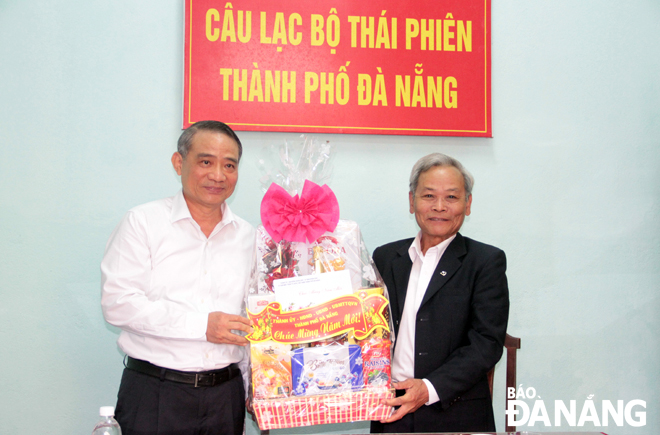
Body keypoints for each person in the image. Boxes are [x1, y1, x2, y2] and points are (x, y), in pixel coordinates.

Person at [101, 121, 255, 435]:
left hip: (226, 395)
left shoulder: (249, 237)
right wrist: (203, 326)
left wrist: (260, 385)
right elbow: (119, 304)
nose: (218, 175)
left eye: (229, 165)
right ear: (179, 162)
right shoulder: (143, 222)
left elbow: (251, 319)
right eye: (206, 161)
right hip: (155, 393)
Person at [371, 153, 509, 433]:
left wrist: (428, 388)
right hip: (390, 410)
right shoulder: (386, 257)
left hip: (456, 412)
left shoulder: (485, 261)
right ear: (412, 202)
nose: (439, 207)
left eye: (452, 198)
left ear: (468, 204)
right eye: (429, 196)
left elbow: (486, 343)